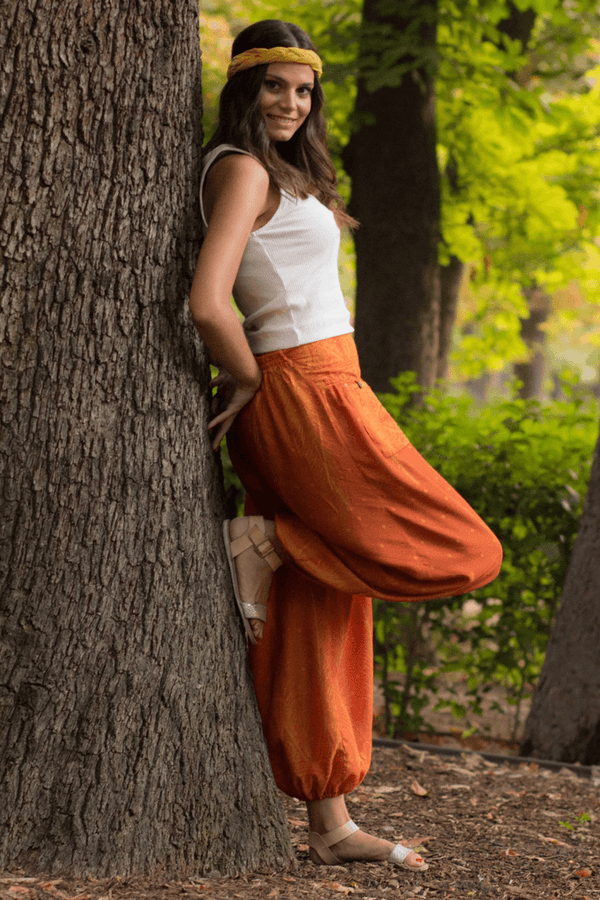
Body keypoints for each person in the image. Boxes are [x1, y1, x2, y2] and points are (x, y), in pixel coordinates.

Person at [189, 19, 503, 872]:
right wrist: (250, 380)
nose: (291, 102)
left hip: (330, 380)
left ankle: (330, 825)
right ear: (243, 89)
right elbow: (210, 300)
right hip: (302, 388)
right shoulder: (244, 167)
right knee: (465, 548)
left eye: (303, 88)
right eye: (273, 86)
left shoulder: (283, 169)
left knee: (325, 606)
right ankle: (265, 541)